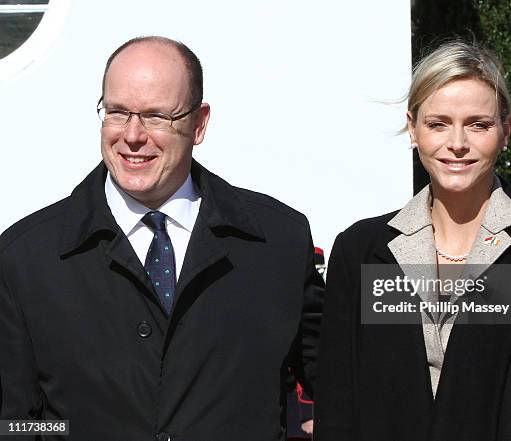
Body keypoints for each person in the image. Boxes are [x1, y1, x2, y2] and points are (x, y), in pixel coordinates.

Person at [0, 36, 324, 441]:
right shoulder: (27, 257)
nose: (132, 136)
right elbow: (14, 422)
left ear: (199, 122)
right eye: (117, 112)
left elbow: (341, 385)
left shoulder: (277, 242)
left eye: (155, 117)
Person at [315, 41, 511, 441]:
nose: (457, 143)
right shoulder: (359, 252)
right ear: (413, 128)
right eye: (438, 123)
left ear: (506, 129)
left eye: (478, 124)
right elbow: (338, 408)